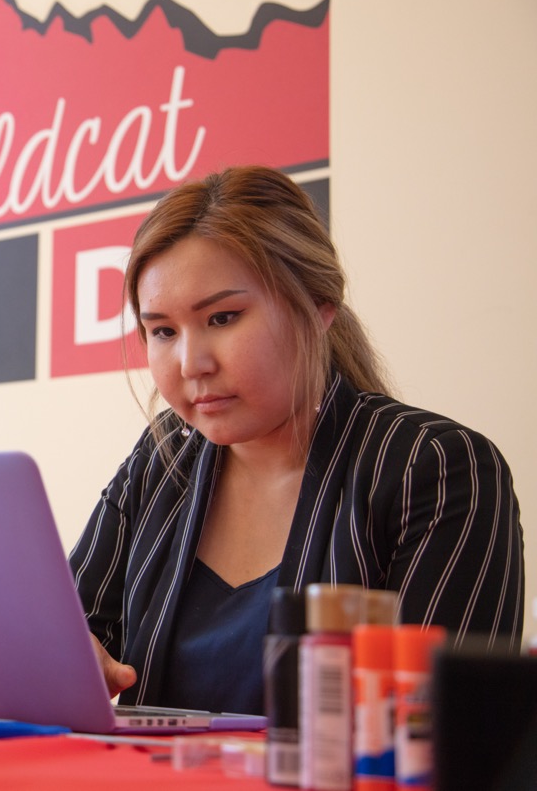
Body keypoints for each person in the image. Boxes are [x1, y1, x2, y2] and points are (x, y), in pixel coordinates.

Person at [68, 164, 524, 716]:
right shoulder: (164, 457)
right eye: (163, 331)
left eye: (223, 317)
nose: (192, 363)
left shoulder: (432, 466)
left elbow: (451, 728)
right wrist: (66, 658)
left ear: (318, 306)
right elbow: (72, 629)